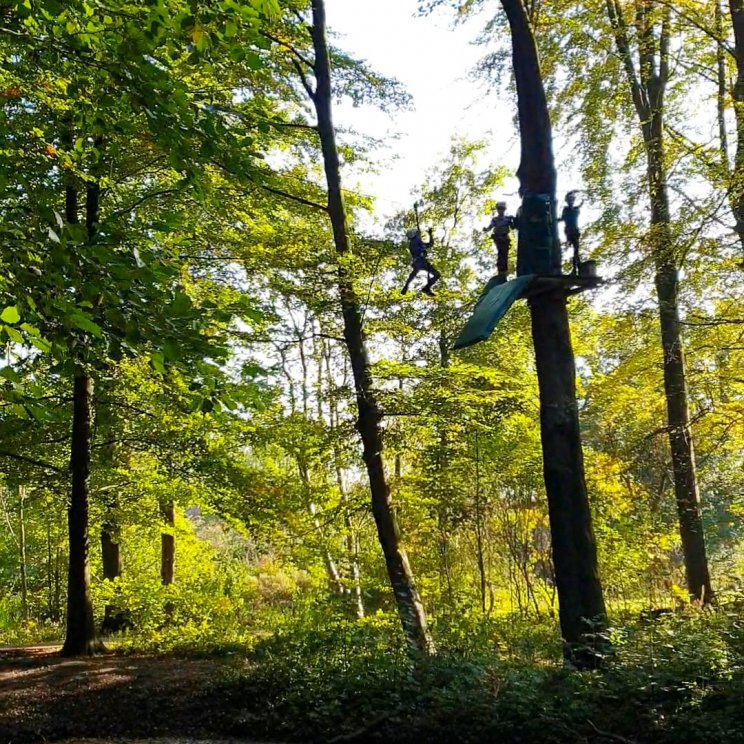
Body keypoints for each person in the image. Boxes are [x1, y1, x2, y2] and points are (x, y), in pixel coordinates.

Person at [401, 227, 440, 296]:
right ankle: (407, 286)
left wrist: (430, 234)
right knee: (415, 272)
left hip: (422, 261)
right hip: (418, 261)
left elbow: (430, 244)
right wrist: (428, 234)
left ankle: (426, 288)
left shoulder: (417, 241)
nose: (419, 234)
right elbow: (427, 244)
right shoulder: (414, 242)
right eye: (417, 233)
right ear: (415, 235)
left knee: (436, 274)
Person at [483, 201, 516, 279]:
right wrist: (486, 229)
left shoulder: (507, 219)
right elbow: (490, 227)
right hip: (498, 238)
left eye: (502, 208)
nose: (501, 210)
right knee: (501, 253)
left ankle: (503, 271)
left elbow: (513, 227)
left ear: (505, 209)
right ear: (497, 210)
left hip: (505, 238)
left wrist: (513, 219)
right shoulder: (495, 219)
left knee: (504, 254)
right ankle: (501, 270)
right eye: (499, 208)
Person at [558, 190, 582, 274]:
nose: (571, 201)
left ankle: (576, 267)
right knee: (575, 249)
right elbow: (563, 218)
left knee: (576, 250)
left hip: (575, 231)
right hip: (569, 231)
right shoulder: (566, 210)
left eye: (572, 199)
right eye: (570, 199)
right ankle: (577, 267)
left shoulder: (575, 209)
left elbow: (574, 213)